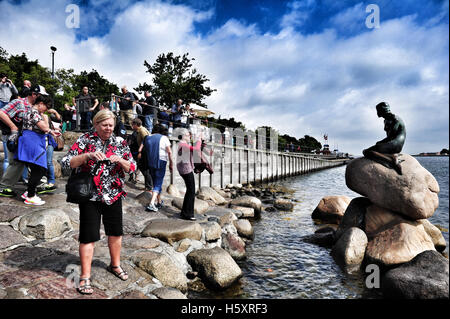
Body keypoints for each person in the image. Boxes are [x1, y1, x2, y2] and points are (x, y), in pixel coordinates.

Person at [61, 109, 136, 295]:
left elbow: (132, 167)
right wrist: (87, 156)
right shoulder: (85, 140)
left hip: (114, 194)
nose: (109, 128)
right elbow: (65, 162)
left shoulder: (120, 142)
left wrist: (121, 161)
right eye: (105, 125)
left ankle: (115, 265)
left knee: (116, 232)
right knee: (88, 236)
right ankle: (85, 276)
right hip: (90, 196)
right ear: (96, 124)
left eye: (111, 125)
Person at [0, 84, 49, 197]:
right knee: (17, 162)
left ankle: (37, 184)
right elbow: (1, 112)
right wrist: (13, 126)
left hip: (26, 139)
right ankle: (4, 187)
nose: (44, 99)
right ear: (34, 94)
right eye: (42, 96)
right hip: (13, 136)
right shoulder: (19, 102)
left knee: (32, 160)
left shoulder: (35, 108)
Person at [16, 95, 55, 205]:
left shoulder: (31, 111)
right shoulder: (34, 112)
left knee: (36, 168)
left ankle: (29, 192)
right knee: (40, 168)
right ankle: (31, 196)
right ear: (41, 103)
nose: (46, 109)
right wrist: (46, 119)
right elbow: (45, 128)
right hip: (32, 141)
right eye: (46, 107)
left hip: (31, 140)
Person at [362, 102, 406, 175]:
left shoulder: (395, 119)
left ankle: (392, 160)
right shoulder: (386, 120)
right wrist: (380, 143)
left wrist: (380, 143)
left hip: (396, 144)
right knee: (369, 150)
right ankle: (391, 157)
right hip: (391, 142)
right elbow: (389, 137)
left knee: (367, 152)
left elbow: (391, 136)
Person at [141, 123, 173, 212]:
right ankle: (152, 203)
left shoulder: (147, 137)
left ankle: (159, 201)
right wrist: (171, 163)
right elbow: (169, 152)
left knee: (155, 183)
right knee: (158, 183)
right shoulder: (164, 138)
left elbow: (142, 149)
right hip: (161, 161)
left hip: (150, 162)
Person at [176, 128, 203, 220]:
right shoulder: (183, 144)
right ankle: (187, 214)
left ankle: (185, 212)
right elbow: (196, 149)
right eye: (188, 135)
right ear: (183, 136)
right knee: (191, 191)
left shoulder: (183, 144)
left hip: (185, 169)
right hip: (186, 170)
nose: (190, 136)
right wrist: (199, 140)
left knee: (190, 190)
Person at [129, 118, 152, 189]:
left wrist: (140, 152)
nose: (132, 126)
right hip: (145, 151)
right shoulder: (139, 130)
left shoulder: (142, 130)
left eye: (133, 125)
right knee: (144, 168)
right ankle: (148, 186)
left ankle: (149, 186)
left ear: (136, 124)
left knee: (144, 168)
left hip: (145, 151)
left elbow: (146, 141)